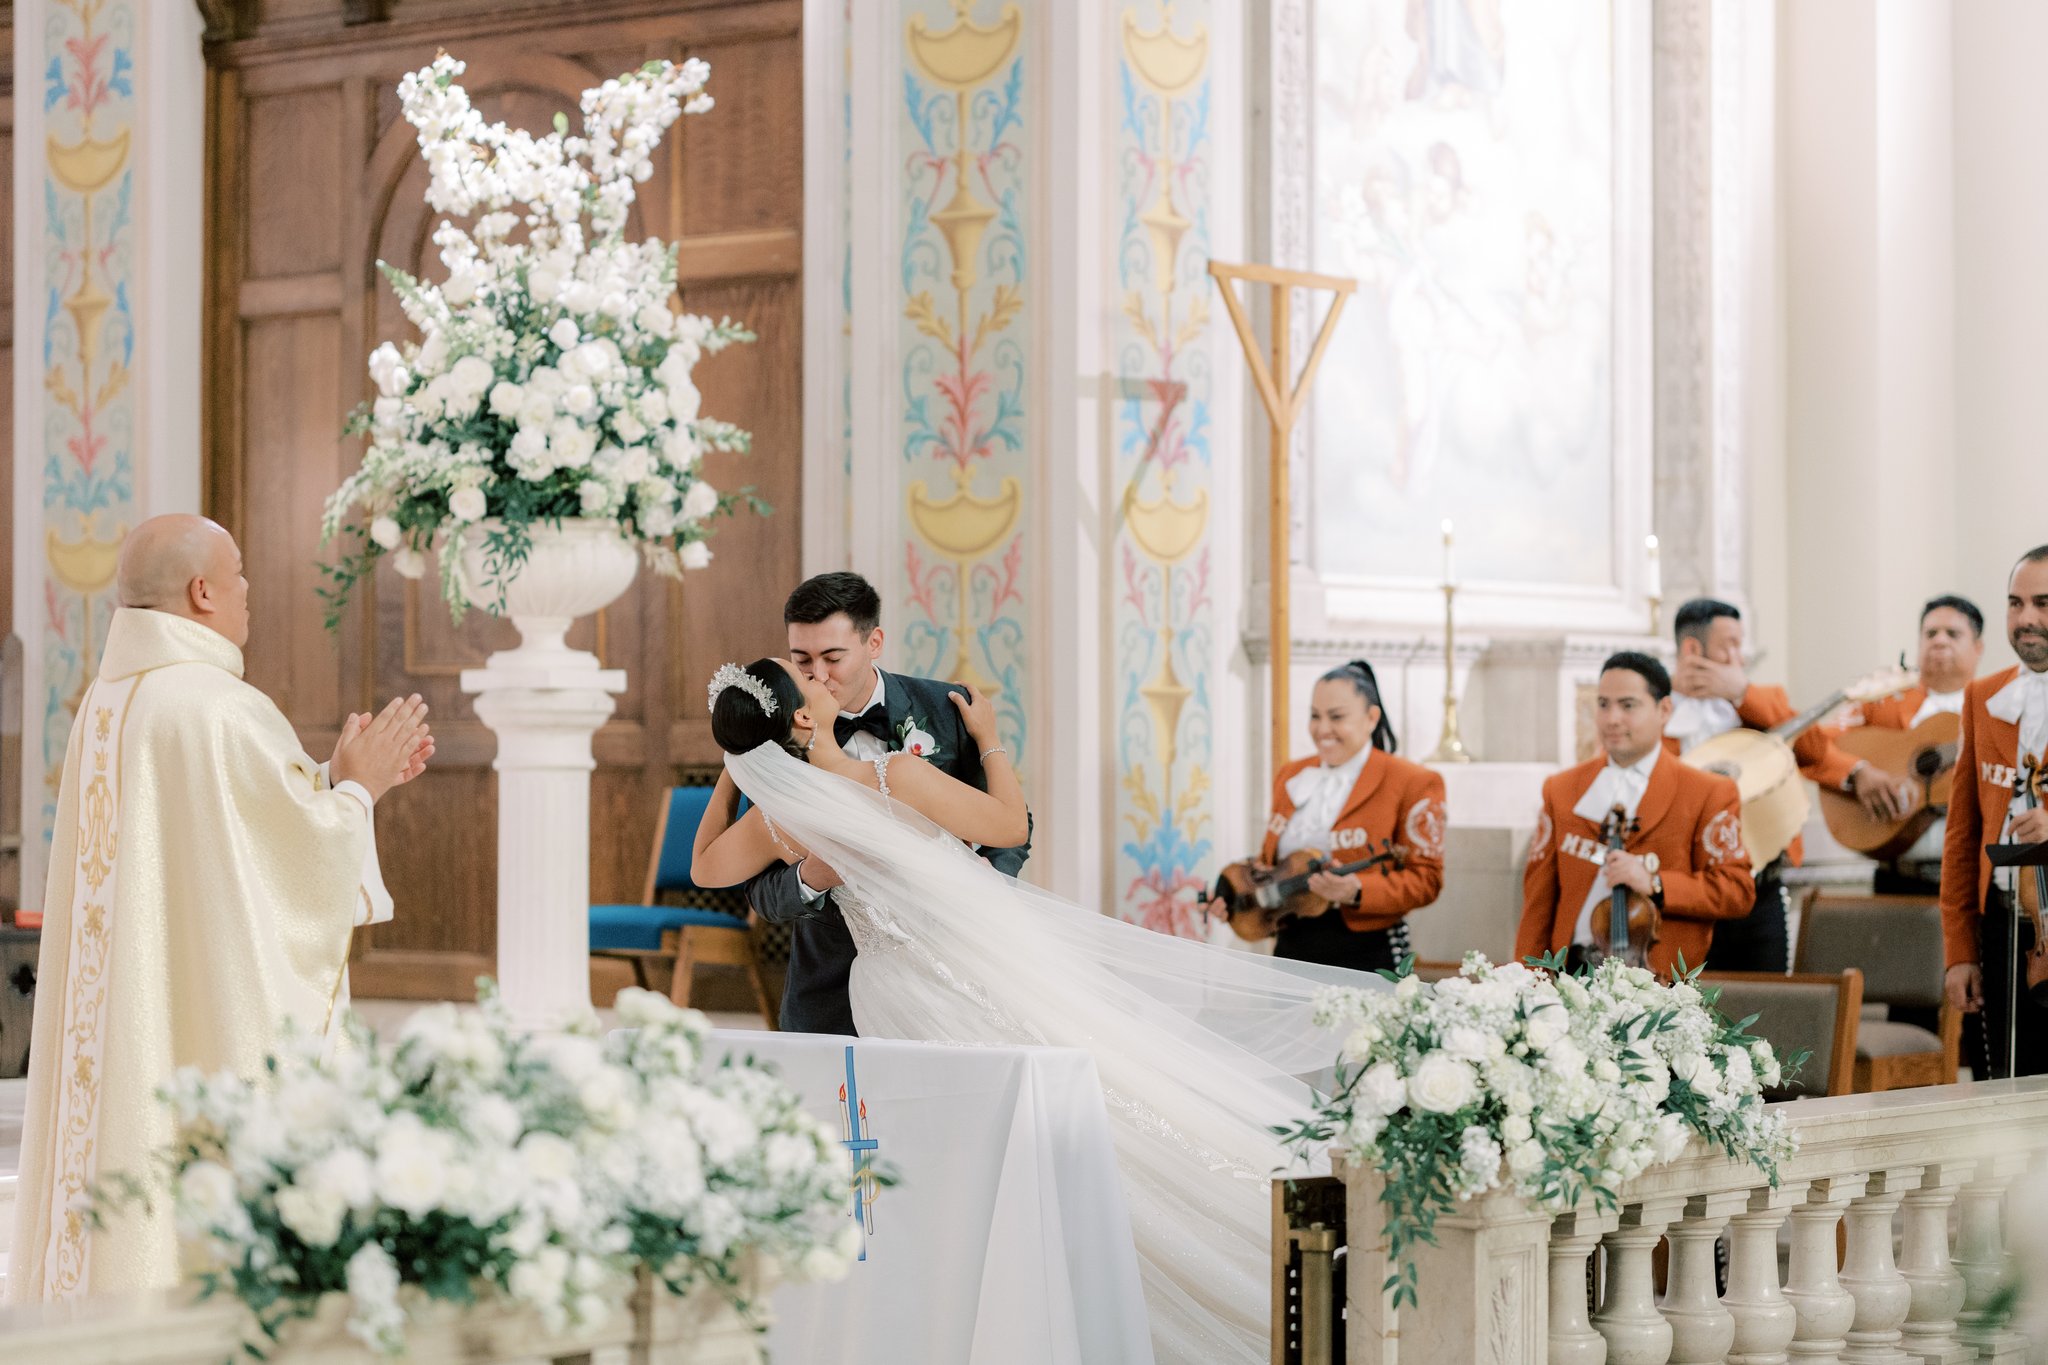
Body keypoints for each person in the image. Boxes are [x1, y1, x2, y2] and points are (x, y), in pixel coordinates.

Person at [692, 658, 1379, 1364]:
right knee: (1100, 1092)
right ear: (804, 718)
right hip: (980, 958)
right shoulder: (898, 774)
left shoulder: (791, 814)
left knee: (988, 1146)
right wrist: (987, 738)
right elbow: (1006, 821)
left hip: (896, 988)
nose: (825, 682)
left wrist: (742, 764)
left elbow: (705, 865)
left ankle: (1004, 1303)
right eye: (809, 685)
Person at [9, 515, 432, 1302]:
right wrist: (356, 790)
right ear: (202, 592)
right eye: (237, 574)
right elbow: (293, 861)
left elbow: (226, 829)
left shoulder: (106, 704)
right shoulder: (219, 706)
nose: (247, 593)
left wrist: (325, 774)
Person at [741, 572, 1030, 1034]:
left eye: (833, 657)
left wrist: (987, 891)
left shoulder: (946, 708)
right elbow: (754, 888)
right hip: (829, 987)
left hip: (960, 972)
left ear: (874, 642)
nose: (817, 675)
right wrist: (811, 877)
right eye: (803, 659)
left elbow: (1011, 826)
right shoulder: (772, 732)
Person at [1666, 598, 1905, 972]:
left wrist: (1742, 692)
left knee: (1769, 1016)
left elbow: (1812, 749)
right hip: (1686, 892)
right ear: (1693, 649)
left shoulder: (1760, 703)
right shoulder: (1657, 713)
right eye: (1729, 643)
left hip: (1758, 888)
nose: (1739, 655)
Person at [1518, 652, 1755, 977]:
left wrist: (1656, 883)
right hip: (1570, 974)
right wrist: (1526, 981)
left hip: (1658, 983)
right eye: (1603, 704)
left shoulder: (1708, 792)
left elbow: (1736, 891)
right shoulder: (1561, 789)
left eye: (1628, 705)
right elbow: (1538, 903)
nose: (1612, 718)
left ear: (1664, 710)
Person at [1222, 660, 1444, 970]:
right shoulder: (1291, 774)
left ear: (1371, 717)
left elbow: (1427, 879)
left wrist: (1357, 890)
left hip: (1369, 949)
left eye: (1336, 717)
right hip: (1291, 947)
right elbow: (1272, 865)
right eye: (1315, 716)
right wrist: (1234, 896)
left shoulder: (1413, 781)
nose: (1322, 729)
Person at [1942, 549, 2048, 1079]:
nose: (2026, 617)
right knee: (2001, 1092)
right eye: (2015, 603)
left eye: (2043, 603)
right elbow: (1962, 836)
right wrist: (1960, 950)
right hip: (2004, 930)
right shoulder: (1983, 697)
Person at [1834, 594, 1986, 894]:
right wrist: (1858, 771)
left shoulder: (1996, 707)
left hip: (1973, 880)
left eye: (1953, 634)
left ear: (1978, 648)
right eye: (1931, 633)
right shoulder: (1881, 701)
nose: (1939, 641)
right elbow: (1817, 748)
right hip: (1896, 877)